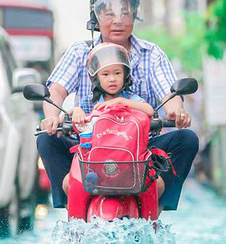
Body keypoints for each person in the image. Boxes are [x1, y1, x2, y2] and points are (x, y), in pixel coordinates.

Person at [38, 0, 198, 210]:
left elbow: (169, 93)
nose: (118, 20)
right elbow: (56, 90)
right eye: (109, 14)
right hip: (87, 146)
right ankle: (70, 198)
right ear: (95, 18)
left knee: (187, 139)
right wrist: (52, 117)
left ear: (134, 16)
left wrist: (176, 111)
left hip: (140, 147)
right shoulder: (79, 51)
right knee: (46, 137)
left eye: (125, 13)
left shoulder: (151, 54)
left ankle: (158, 201)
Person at [61, 43, 163, 196]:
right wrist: (76, 111)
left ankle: (150, 218)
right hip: (94, 161)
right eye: (105, 74)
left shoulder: (130, 98)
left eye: (117, 73)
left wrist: (122, 102)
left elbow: (149, 110)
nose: (112, 79)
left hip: (129, 160)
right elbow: (65, 116)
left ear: (125, 75)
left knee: (157, 184)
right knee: (68, 183)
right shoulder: (90, 102)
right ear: (96, 78)